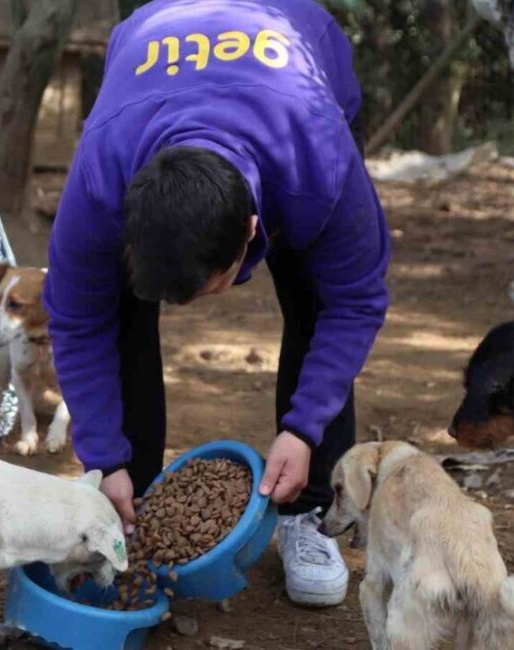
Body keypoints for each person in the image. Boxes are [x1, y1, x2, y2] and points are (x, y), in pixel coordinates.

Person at [43, 0, 390, 606]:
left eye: (208, 288)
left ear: (254, 232)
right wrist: (103, 456)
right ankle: (131, 502)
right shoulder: (100, 180)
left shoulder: (321, 162)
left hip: (297, 73)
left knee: (317, 296)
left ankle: (308, 515)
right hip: (150, 66)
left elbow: (357, 300)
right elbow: (76, 320)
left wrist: (304, 429)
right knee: (118, 311)